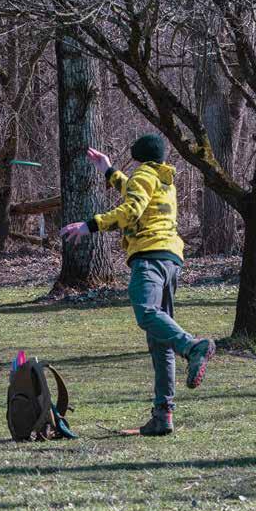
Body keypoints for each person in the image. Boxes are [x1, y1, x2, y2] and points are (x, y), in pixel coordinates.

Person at [59, 133, 216, 436]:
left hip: (149, 257)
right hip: (171, 259)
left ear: (138, 157)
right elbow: (134, 190)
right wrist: (108, 170)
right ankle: (163, 415)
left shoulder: (143, 175)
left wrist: (90, 225)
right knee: (160, 340)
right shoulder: (164, 180)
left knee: (146, 312)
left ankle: (192, 346)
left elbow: (132, 208)